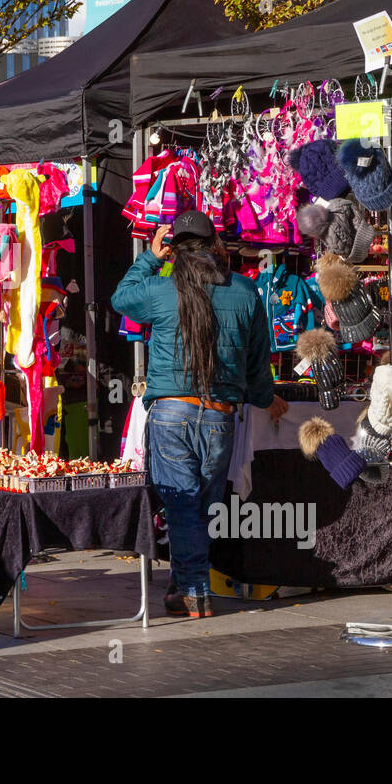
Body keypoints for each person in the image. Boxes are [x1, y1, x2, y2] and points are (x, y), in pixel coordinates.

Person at [110, 211, 289, 618]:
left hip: (172, 412)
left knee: (183, 507)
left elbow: (120, 299)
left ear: (176, 249)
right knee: (198, 509)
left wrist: (150, 258)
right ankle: (184, 588)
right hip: (218, 417)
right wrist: (265, 398)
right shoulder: (245, 292)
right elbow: (259, 363)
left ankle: (194, 592)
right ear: (216, 246)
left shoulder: (160, 288)